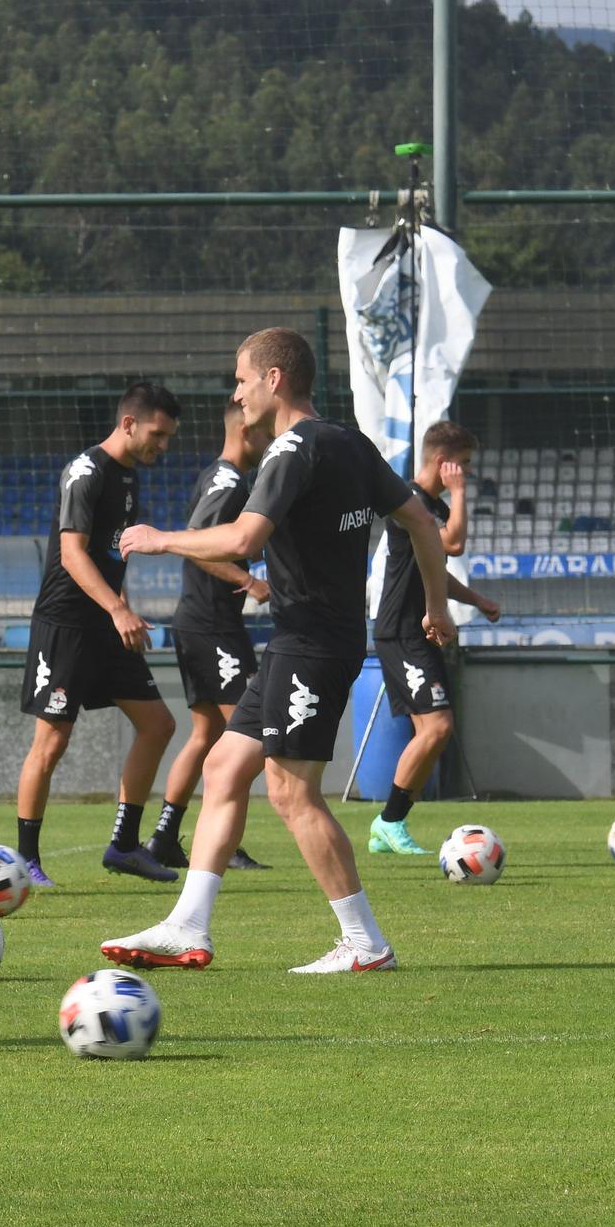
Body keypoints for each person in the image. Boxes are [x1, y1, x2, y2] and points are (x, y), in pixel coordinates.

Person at [101, 327, 456, 974]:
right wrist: (435, 603)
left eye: (240, 380)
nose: (235, 395)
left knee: (292, 794)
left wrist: (160, 539)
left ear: (273, 379)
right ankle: (188, 922)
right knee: (224, 768)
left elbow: (242, 536)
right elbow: (421, 521)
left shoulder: (292, 449)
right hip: (305, 639)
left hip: (312, 644)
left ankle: (365, 942)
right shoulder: (349, 441)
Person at [14, 382, 183, 889]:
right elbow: (73, 553)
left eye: (169, 437)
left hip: (108, 623)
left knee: (158, 724)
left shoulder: (129, 476)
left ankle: (124, 846)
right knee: (52, 740)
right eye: (158, 434)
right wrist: (117, 608)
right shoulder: (85, 472)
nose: (164, 445)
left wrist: (121, 607)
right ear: (128, 423)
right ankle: (25, 861)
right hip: (66, 625)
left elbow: (112, 556)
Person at [146, 398, 273, 873]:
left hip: (204, 621)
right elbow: (195, 543)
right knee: (249, 732)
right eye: (263, 431)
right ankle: (224, 842)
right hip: (212, 625)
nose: (269, 439)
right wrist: (246, 581)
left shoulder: (219, 476)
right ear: (245, 431)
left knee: (208, 734)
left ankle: (163, 836)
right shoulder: (227, 481)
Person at [366, 419, 502, 857]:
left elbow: (435, 568)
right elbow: (456, 544)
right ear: (444, 464)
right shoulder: (411, 503)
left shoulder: (427, 506)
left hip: (418, 629)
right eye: (461, 465)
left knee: (434, 729)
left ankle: (388, 826)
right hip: (403, 630)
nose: (465, 473)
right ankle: (389, 820)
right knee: (437, 725)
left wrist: (476, 599)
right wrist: (460, 494)